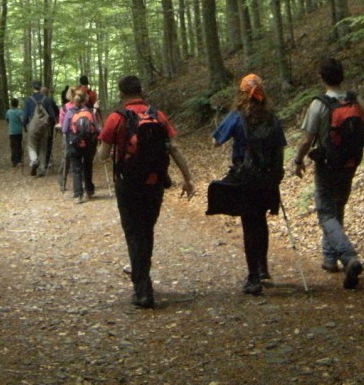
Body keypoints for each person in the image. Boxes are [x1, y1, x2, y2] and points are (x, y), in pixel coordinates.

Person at [96, 75, 194, 309]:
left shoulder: (116, 118)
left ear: (122, 94)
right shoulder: (157, 115)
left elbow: (102, 155)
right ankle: (144, 282)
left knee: (133, 233)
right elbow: (174, 148)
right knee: (146, 231)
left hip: (127, 184)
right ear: (142, 91)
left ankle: (142, 290)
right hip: (154, 183)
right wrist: (188, 178)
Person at [292, 58, 364, 289]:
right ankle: (329, 259)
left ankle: (348, 256)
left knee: (325, 213)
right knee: (337, 208)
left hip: (327, 165)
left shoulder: (319, 104)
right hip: (350, 164)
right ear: (342, 77)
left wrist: (297, 160)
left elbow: (307, 140)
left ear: (322, 78)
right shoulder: (355, 101)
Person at [212, 73, 286, 296]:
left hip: (245, 177)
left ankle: (253, 277)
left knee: (249, 224)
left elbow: (216, 141)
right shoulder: (272, 118)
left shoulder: (237, 116)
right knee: (260, 220)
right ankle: (263, 268)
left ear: (242, 93)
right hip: (267, 178)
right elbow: (280, 147)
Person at [61, 89, 99, 203]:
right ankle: (89, 190)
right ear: (85, 99)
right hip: (88, 143)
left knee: (76, 169)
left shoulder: (70, 112)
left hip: (74, 143)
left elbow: (64, 129)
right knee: (88, 165)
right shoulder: (90, 112)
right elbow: (96, 127)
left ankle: (78, 195)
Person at [23, 81, 58, 176]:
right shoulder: (46, 100)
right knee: (43, 147)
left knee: (31, 145)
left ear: (33, 88)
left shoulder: (28, 100)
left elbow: (25, 116)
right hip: (45, 127)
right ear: (40, 88)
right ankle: (42, 169)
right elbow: (52, 115)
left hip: (33, 126)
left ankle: (34, 160)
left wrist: (24, 126)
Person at [6, 97, 24, 167]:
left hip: (12, 132)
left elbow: (7, 120)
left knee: (13, 146)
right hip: (19, 131)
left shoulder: (8, 112)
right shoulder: (20, 112)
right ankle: (19, 159)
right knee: (19, 145)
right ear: (17, 104)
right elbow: (22, 120)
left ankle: (14, 160)